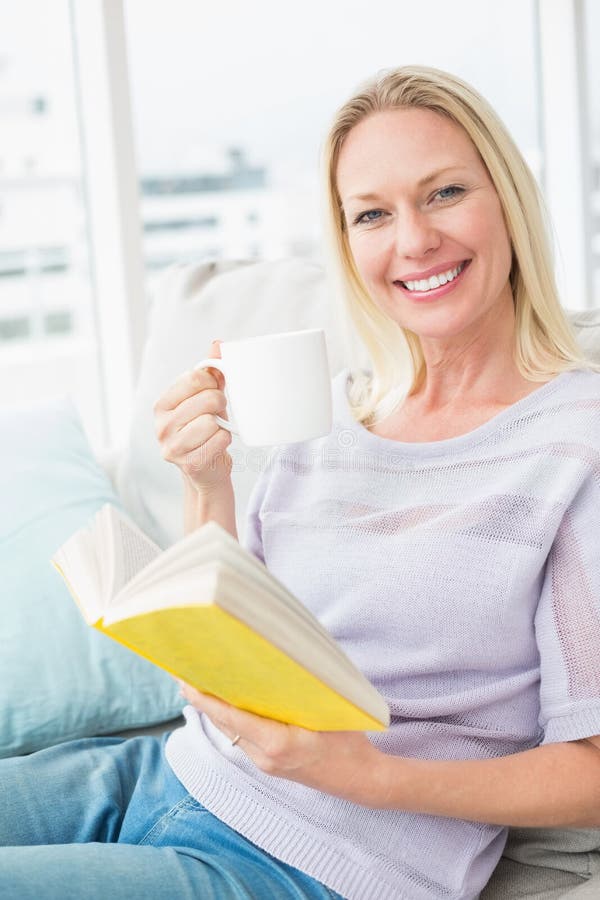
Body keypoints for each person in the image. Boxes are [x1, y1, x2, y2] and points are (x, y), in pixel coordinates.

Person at [2, 65, 600, 900]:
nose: (414, 241)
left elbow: (592, 772)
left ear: (508, 197)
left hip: (315, 864)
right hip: (163, 773)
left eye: (445, 193)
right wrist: (206, 481)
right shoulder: (324, 417)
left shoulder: (578, 441)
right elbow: (242, 632)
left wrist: (361, 773)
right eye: (373, 214)